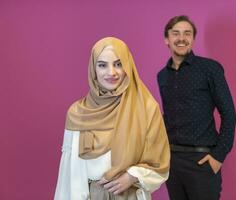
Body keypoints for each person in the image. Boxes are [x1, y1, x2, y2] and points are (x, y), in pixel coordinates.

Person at [54, 37, 170, 200]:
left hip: (130, 195)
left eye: (118, 64)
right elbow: (68, 174)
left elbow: (160, 164)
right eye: (102, 65)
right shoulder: (78, 113)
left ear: (128, 66)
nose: (111, 73)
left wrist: (132, 176)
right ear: (93, 69)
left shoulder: (147, 109)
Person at [157, 15, 236, 200]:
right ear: (166, 39)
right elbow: (168, 115)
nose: (182, 38)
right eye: (175, 33)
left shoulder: (210, 69)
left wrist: (218, 156)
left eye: (187, 33)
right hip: (172, 161)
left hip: (202, 161)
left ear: (193, 38)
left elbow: (229, 113)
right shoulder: (162, 76)